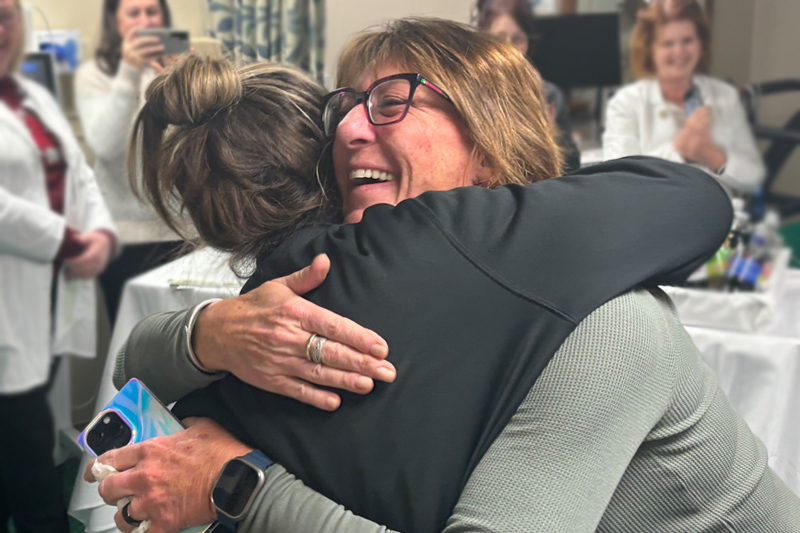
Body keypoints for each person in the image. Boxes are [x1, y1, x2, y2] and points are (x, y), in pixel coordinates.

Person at [86, 19, 798, 533]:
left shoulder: (605, 323)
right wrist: (207, 335)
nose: (351, 129)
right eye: (344, 106)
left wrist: (238, 484)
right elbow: (137, 365)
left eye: (392, 100)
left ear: (489, 144)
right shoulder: (346, 288)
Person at [0, 0, 118, 531]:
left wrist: (96, 230)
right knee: (21, 427)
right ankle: (41, 517)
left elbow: (80, 172)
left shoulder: (31, 98)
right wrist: (71, 241)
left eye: (5, 14)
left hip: (44, 284)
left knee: (27, 415)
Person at [74, 0, 183, 325]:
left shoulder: (178, 66)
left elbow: (198, 141)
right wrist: (129, 72)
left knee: (186, 347)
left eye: (152, 11)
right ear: (115, 21)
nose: (145, 20)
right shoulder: (95, 75)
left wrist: (186, 79)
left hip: (184, 232)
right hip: (125, 238)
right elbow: (105, 145)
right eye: (133, 13)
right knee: (131, 345)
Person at [603, 0, 765, 194]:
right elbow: (619, 180)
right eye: (668, 43)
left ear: (701, 43)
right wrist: (680, 151)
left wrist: (714, 157)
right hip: (656, 217)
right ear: (650, 49)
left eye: (687, 40)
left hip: (721, 216)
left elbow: (753, 176)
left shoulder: (724, 96)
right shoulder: (625, 103)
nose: (679, 52)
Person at [474, 0, 581, 172]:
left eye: (517, 39)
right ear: (484, 41)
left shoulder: (548, 94)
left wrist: (552, 137)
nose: (510, 49)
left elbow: (572, 167)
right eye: (499, 38)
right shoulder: (469, 95)